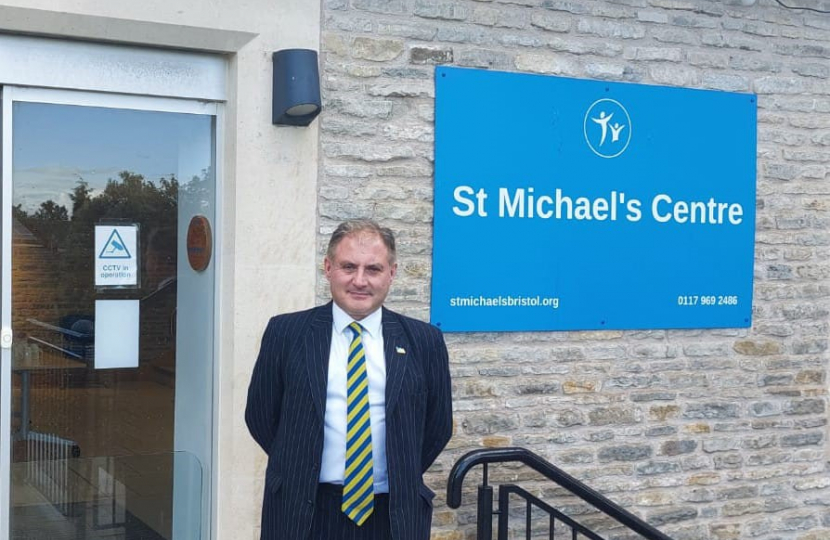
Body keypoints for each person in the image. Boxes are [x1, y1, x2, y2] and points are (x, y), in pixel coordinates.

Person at [246, 219, 453, 540]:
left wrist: (401, 470)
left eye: (373, 269)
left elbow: (438, 426)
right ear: (328, 268)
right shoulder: (286, 333)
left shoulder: (424, 340)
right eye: (348, 267)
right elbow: (261, 416)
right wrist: (298, 466)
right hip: (305, 511)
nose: (360, 280)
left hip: (392, 514)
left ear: (392, 273)